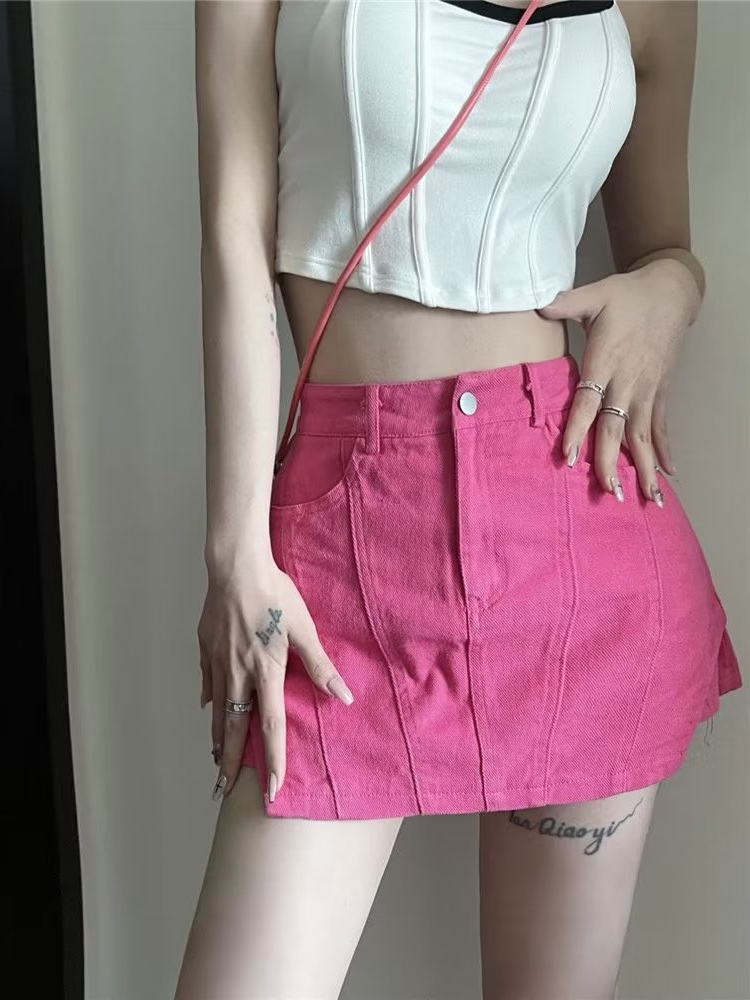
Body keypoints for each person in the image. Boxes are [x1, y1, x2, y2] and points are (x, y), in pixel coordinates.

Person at [176, 1, 743, 998]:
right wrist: (235, 552)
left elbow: (661, 246)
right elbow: (232, 234)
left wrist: (676, 289)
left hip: (580, 537)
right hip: (341, 551)